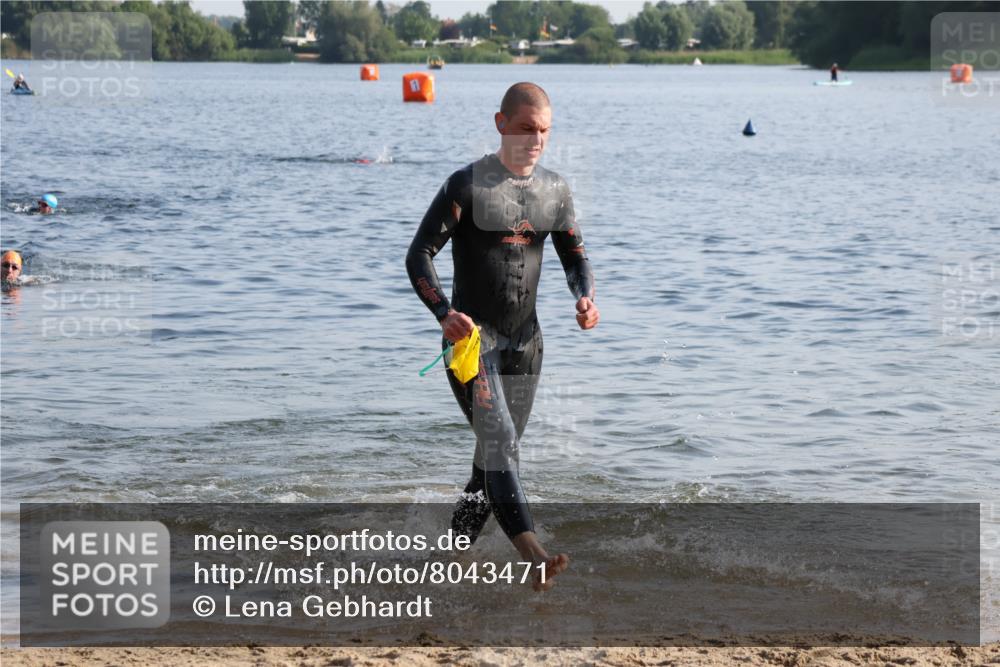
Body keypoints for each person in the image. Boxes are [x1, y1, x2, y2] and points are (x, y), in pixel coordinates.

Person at [406, 82, 599, 592]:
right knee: (501, 443)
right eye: (526, 129)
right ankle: (534, 554)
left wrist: (585, 297)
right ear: (500, 124)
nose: (536, 140)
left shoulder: (555, 191)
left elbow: (576, 258)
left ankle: (446, 561)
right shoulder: (467, 186)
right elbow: (418, 254)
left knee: (491, 462)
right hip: (472, 344)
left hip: (526, 345)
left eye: (544, 131)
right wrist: (444, 312)